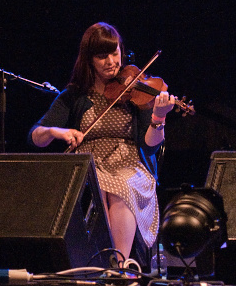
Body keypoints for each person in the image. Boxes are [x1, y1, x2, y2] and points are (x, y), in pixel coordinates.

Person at [28, 22, 176, 263]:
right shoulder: (75, 95)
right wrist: (58, 131)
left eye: (115, 53)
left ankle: (119, 265)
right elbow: (36, 136)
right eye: (101, 56)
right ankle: (100, 263)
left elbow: (150, 144)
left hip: (128, 164)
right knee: (100, 185)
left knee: (120, 186)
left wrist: (159, 117)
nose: (111, 61)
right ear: (89, 60)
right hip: (89, 165)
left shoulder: (135, 92)